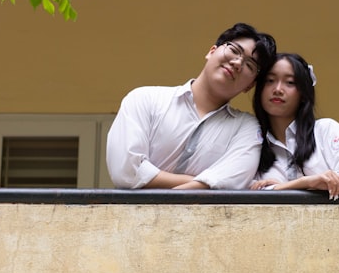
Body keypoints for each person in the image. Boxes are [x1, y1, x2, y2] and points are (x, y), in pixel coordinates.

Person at [106, 22, 276, 189]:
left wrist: (154, 183)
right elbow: (125, 170)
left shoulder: (246, 128)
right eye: (234, 50)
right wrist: (199, 183)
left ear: (250, 86)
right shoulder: (144, 99)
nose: (237, 63)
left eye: (249, 65)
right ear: (212, 51)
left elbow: (230, 182)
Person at [250, 52, 339, 200]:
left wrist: (278, 188)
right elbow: (246, 191)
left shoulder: (325, 130)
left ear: (303, 94)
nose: (277, 89)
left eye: (290, 82)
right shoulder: (252, 140)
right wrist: (309, 182)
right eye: (270, 80)